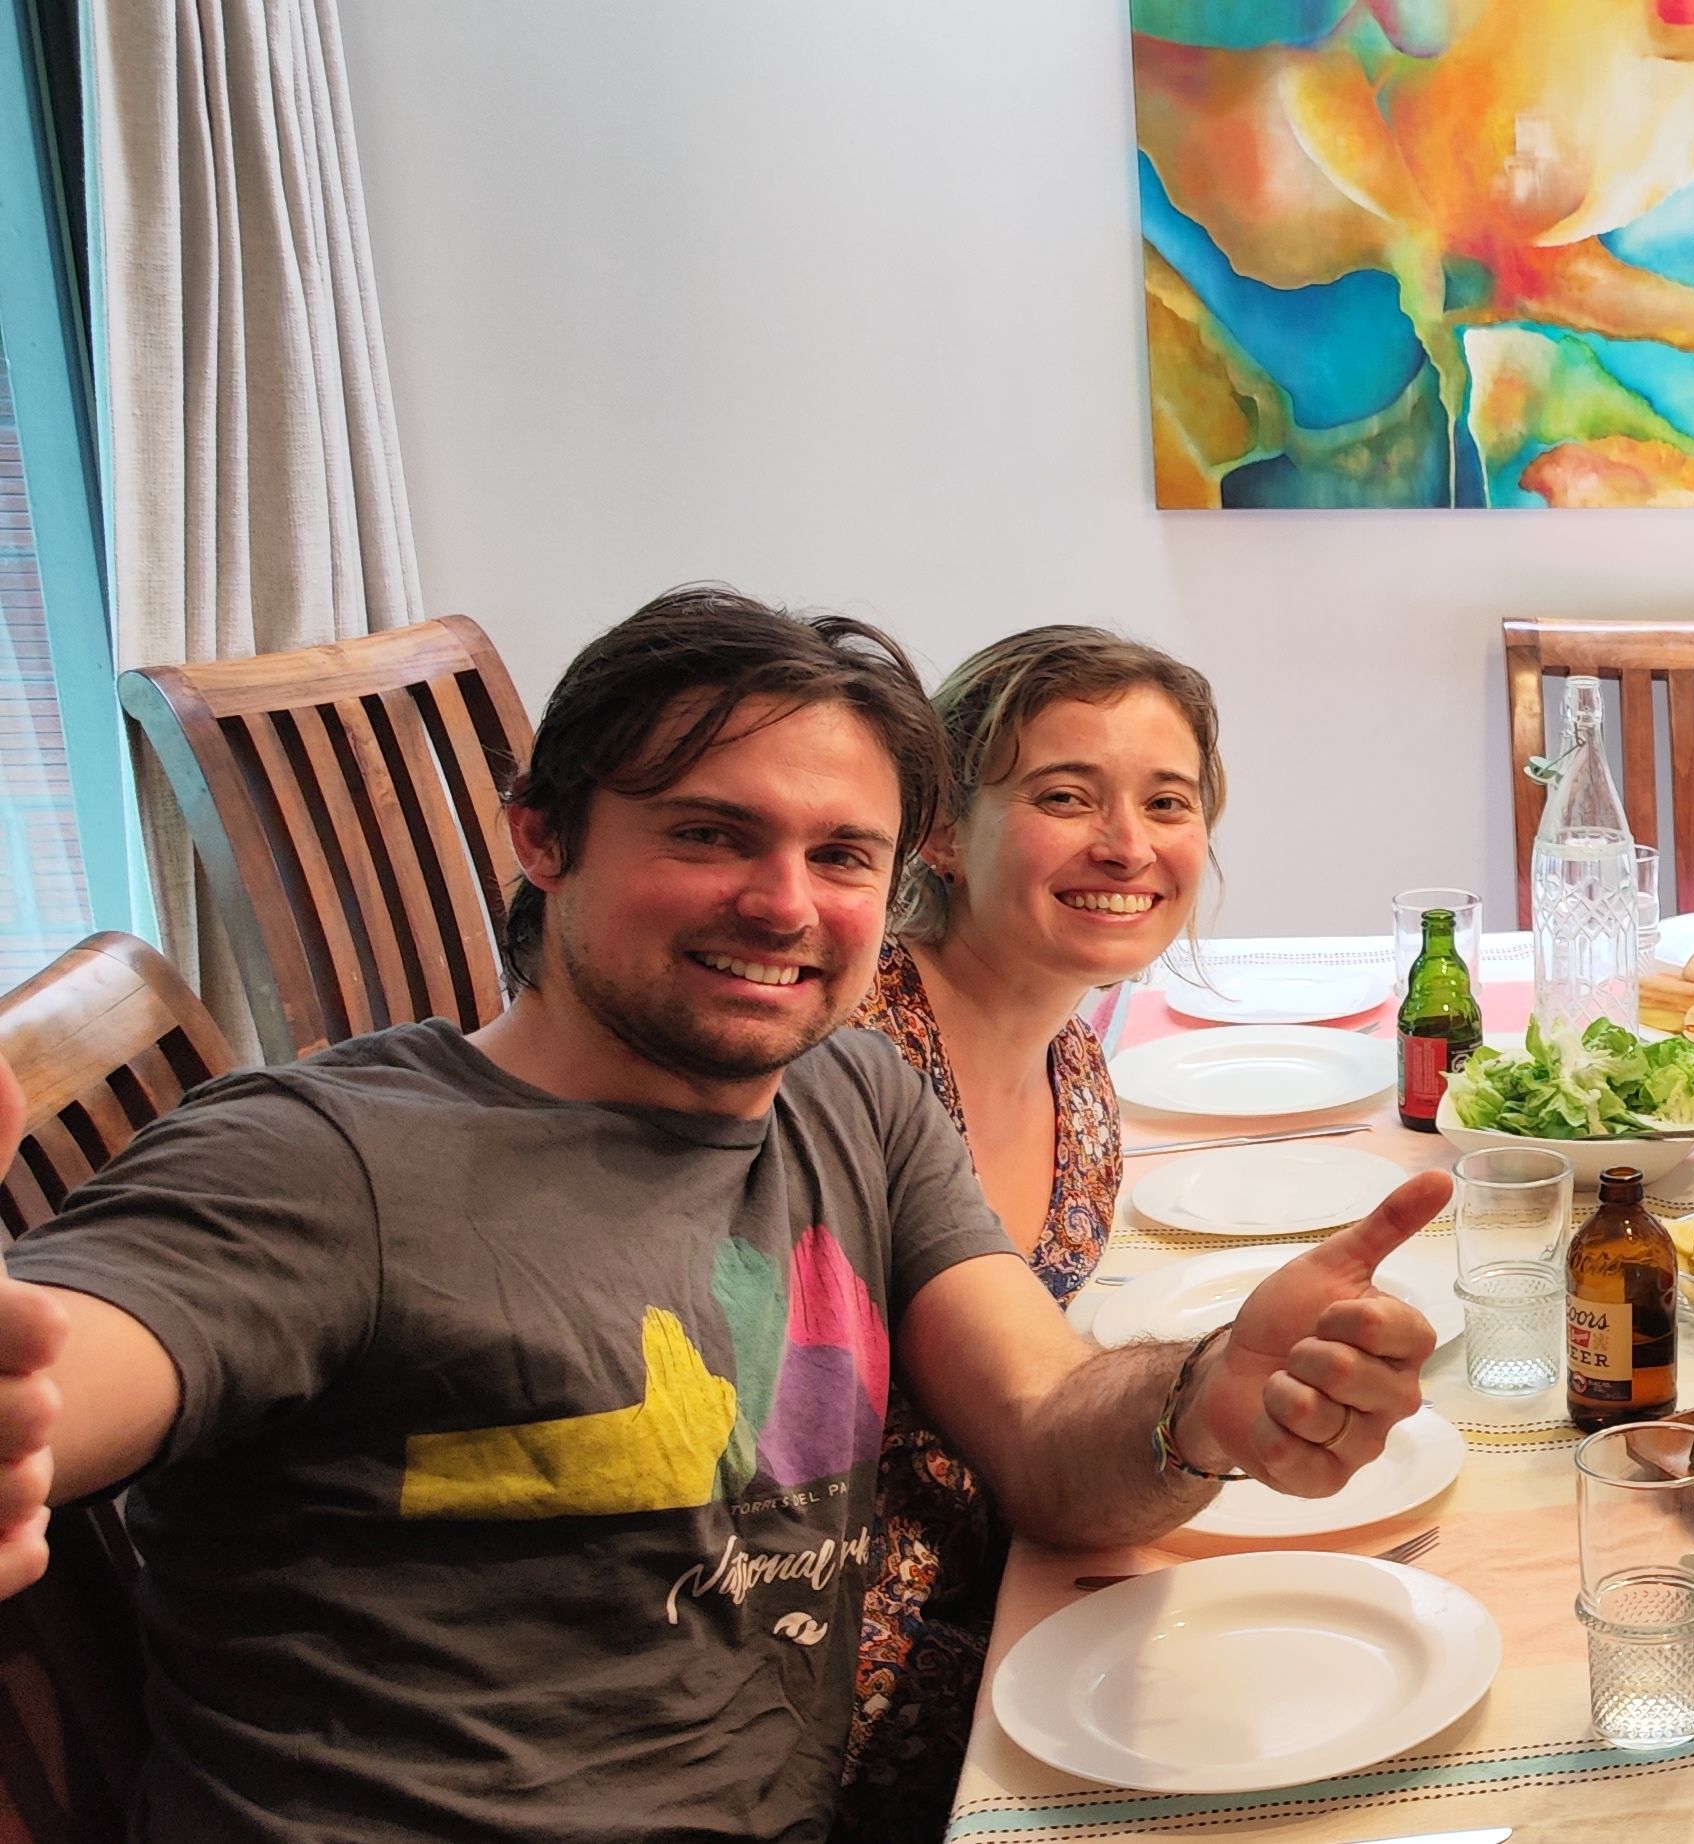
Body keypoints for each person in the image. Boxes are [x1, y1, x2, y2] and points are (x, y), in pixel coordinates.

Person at [0, 588, 1441, 1841]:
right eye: (710, 834)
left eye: (842, 855)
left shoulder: (852, 1096)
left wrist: (1203, 1402)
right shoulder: (327, 1160)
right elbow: (76, 1362)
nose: (783, 904)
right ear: (543, 835)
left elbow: (1045, 1429)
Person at [834, 628, 1224, 1835]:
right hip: (864, 1654)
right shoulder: (851, 1054)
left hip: (1015, 1554)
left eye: (1168, 801)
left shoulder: (1079, 1070)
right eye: (1064, 796)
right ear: (941, 832)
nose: (1127, 843)